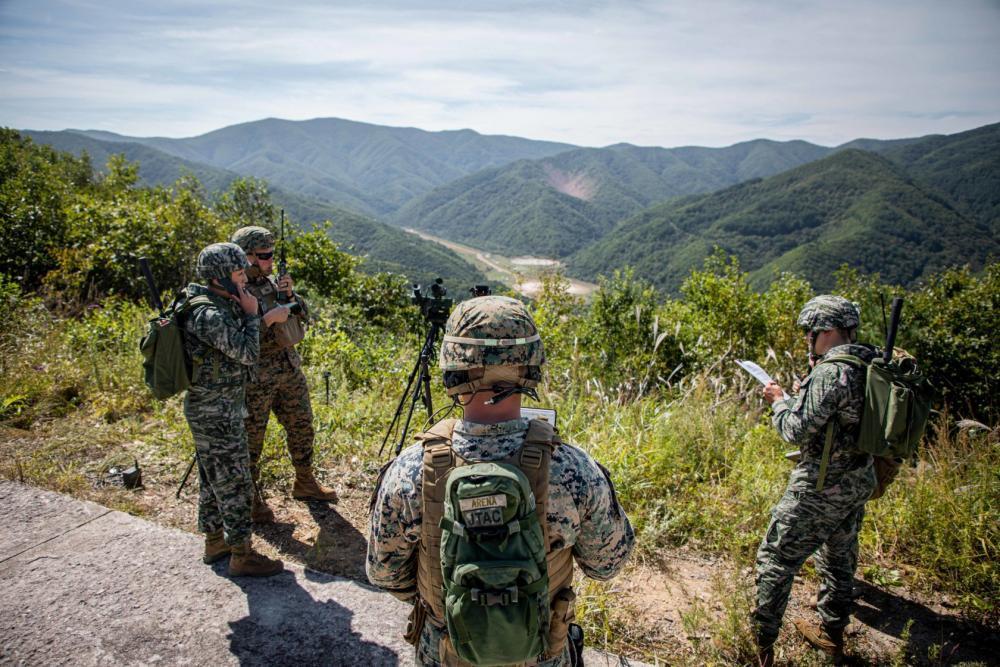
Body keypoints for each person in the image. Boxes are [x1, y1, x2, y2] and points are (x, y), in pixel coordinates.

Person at [367, 295, 635, 666]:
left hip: (445, 653)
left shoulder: (411, 470)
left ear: (453, 370)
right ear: (532, 368)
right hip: (541, 654)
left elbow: (385, 575)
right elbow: (606, 565)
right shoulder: (574, 469)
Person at [753, 295, 877, 664]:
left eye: (811, 332)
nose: (808, 338)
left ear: (826, 332)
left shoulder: (831, 372)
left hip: (822, 486)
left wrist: (778, 400)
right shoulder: (869, 362)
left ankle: (762, 646)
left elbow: (794, 430)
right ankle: (831, 631)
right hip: (858, 479)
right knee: (839, 557)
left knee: (775, 558)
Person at [183, 242, 283, 577]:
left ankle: (215, 542)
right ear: (219, 277)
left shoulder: (217, 304)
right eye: (238, 273)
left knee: (215, 480)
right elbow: (246, 353)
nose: (243, 278)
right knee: (236, 481)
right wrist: (254, 315)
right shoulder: (208, 314)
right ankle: (242, 553)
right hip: (216, 412)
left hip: (218, 407)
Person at [230, 226, 338, 524]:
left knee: (302, 425)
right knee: (252, 438)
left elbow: (303, 315)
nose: (270, 260)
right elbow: (234, 338)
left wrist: (289, 295)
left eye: (271, 254)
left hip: (287, 368)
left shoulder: (269, 284)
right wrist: (266, 321)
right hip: (256, 377)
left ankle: (305, 480)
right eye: (264, 255)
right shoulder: (234, 290)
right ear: (247, 256)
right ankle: (250, 496)